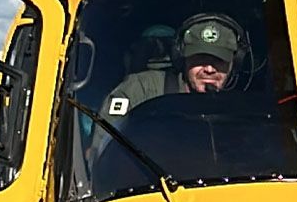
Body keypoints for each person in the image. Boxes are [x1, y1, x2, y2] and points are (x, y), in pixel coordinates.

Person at [87, 13, 245, 157]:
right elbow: (102, 154)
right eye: (200, 59)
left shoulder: (241, 112)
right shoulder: (140, 90)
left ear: (233, 65)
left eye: (219, 61)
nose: (209, 69)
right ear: (182, 58)